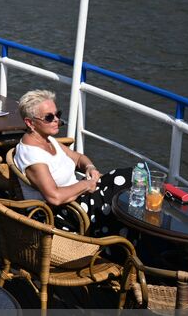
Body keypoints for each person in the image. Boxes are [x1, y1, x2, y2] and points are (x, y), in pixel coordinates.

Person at [12, 88, 128, 230]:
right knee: (121, 196)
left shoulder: (48, 140)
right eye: (49, 117)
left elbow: (78, 158)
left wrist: (89, 167)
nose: (56, 120)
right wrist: (86, 185)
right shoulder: (32, 156)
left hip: (78, 199)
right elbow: (55, 197)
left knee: (128, 177)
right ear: (30, 123)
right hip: (59, 215)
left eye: (57, 114)